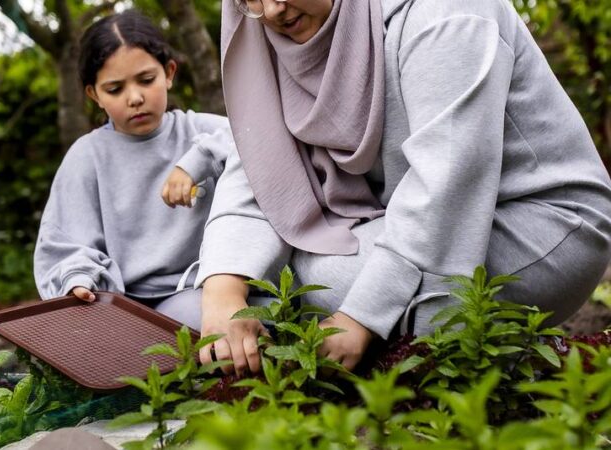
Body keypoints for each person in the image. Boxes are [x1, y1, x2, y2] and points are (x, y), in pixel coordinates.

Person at [192, 0, 611, 377]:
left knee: (303, 275)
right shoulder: (279, 38)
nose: (272, 10)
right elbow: (262, 169)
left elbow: (447, 183)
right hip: (410, 218)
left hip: (542, 226)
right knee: (254, 277)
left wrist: (360, 319)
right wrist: (224, 293)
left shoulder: (445, 12)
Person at [33, 10, 232, 328]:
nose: (135, 98)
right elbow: (66, 242)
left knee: (203, 322)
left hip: (199, 291)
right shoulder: (86, 156)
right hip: (119, 305)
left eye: (146, 80)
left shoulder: (203, 133)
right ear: (94, 94)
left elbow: (258, 137)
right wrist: (78, 281)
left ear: (168, 73)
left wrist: (198, 162)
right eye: (115, 89)